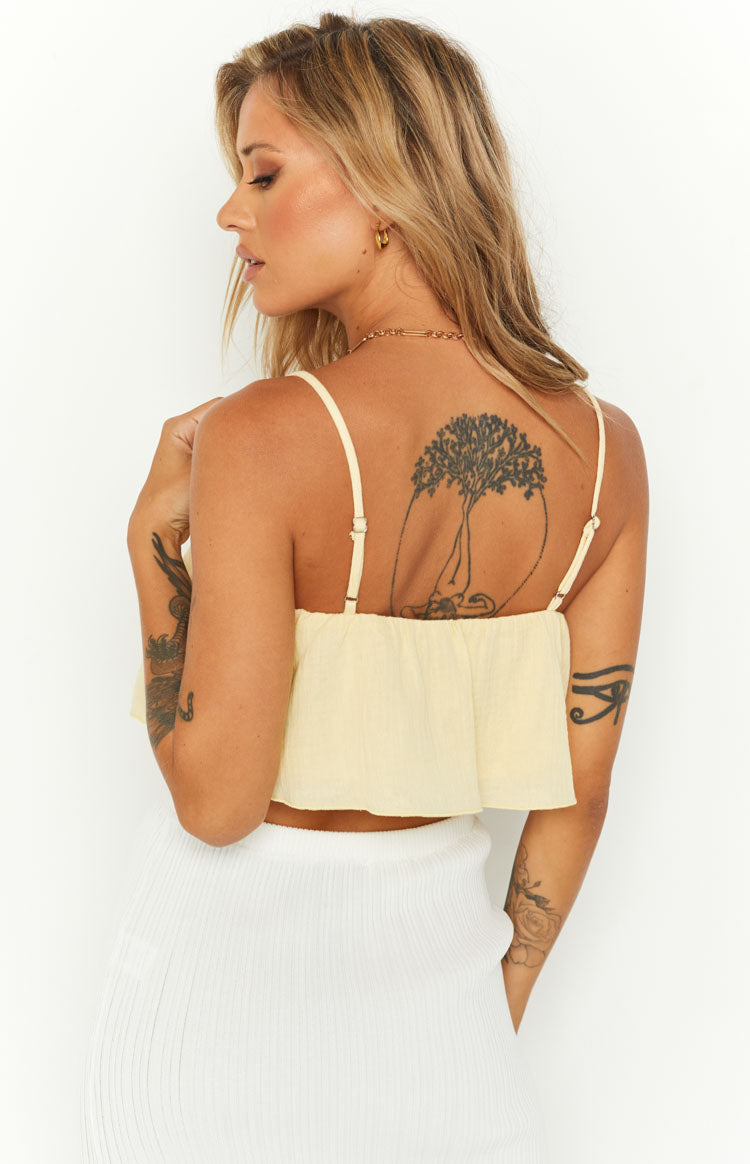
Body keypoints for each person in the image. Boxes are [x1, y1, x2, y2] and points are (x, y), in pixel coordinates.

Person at [80, 12, 649, 1162]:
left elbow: (216, 803)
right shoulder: (604, 450)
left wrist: (149, 547)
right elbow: (579, 789)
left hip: (217, 984)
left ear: (385, 186)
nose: (230, 213)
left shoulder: (265, 433)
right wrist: (491, 1011)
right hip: (443, 990)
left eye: (263, 173)